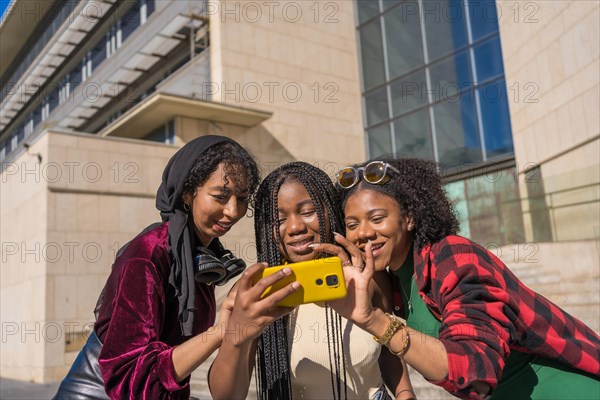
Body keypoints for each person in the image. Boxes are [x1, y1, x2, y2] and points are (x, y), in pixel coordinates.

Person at [312, 158, 600, 400]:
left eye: (377, 219)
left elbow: (474, 370)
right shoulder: (395, 279)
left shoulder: (453, 255)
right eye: (352, 224)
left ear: (409, 218)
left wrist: (374, 320)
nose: (363, 233)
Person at [54, 135, 298, 399]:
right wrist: (221, 332)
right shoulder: (147, 255)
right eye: (220, 196)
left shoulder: (199, 259)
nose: (232, 211)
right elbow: (131, 380)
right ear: (186, 193)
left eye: (241, 198)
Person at [209, 161, 415, 400]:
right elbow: (226, 396)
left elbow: (386, 350)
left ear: (329, 210)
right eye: (279, 220)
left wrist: (405, 393)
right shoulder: (258, 291)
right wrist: (236, 336)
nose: (295, 227)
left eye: (308, 212)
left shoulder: (367, 273)